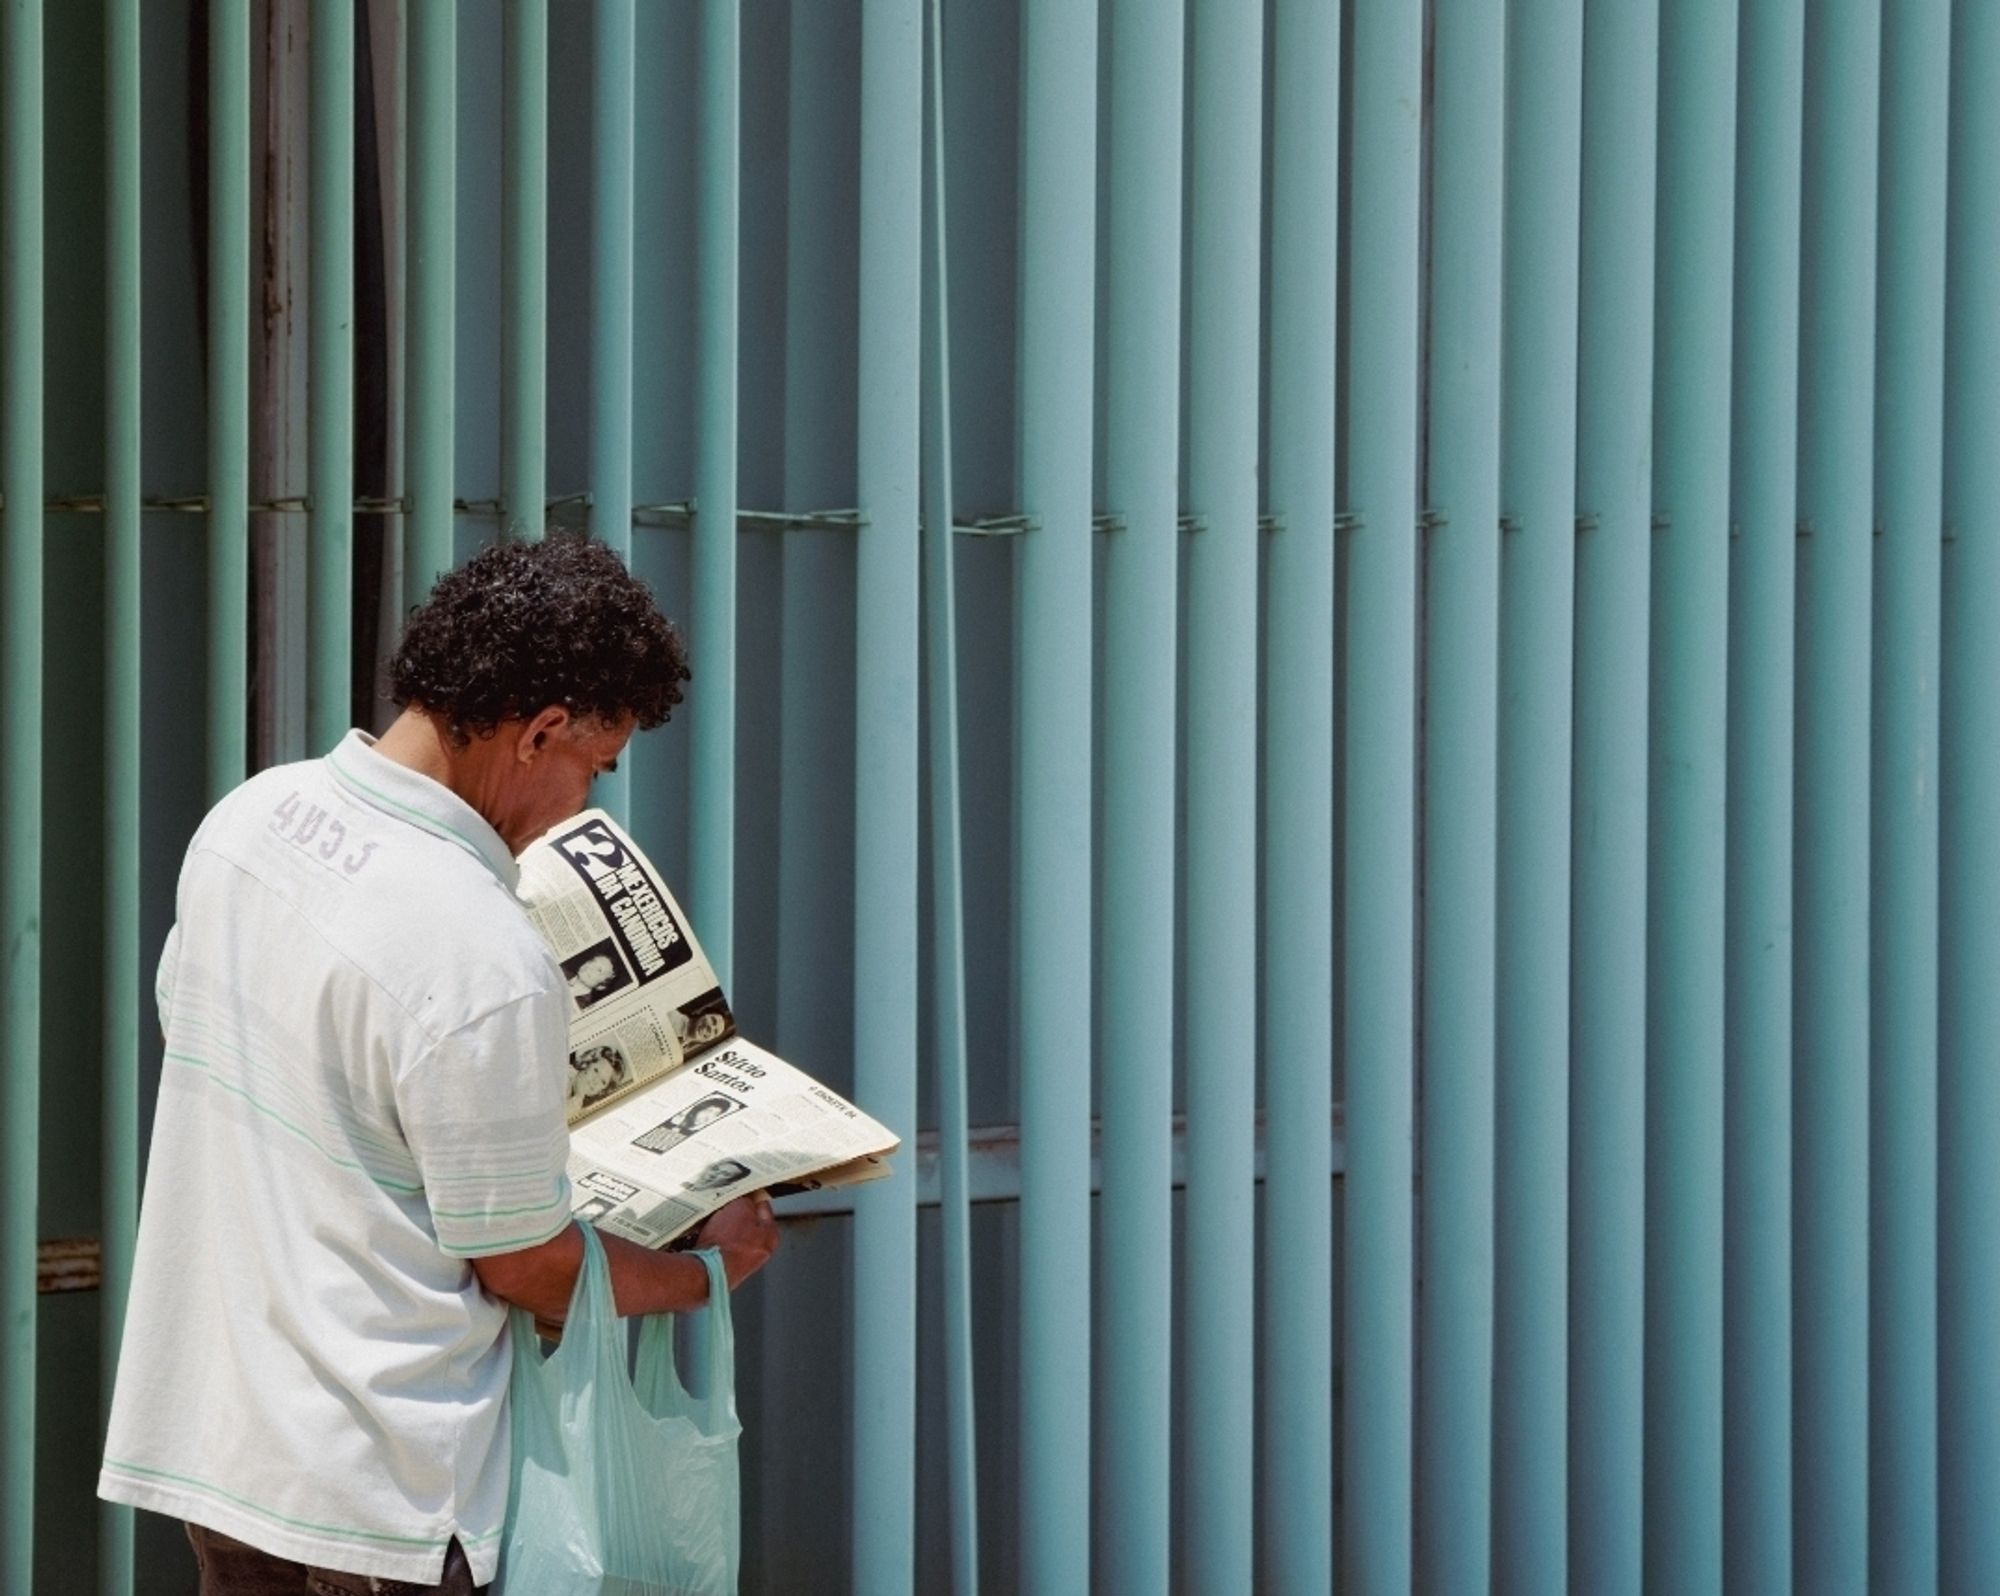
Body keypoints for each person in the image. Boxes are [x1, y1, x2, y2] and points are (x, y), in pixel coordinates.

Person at [98, 536, 781, 1595]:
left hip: (220, 1456)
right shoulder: (478, 948)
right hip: (385, 1504)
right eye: (591, 768)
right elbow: (520, 1263)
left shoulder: (248, 823)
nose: (583, 808)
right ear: (540, 731)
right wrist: (706, 1274)